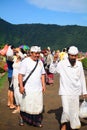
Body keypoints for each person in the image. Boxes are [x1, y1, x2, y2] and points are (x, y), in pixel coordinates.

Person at [49, 46, 87, 130]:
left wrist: (84, 91)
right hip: (65, 91)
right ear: (68, 55)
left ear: (77, 55)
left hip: (76, 91)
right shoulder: (62, 64)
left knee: (74, 111)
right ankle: (64, 125)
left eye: (75, 55)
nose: (73, 57)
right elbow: (52, 70)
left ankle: (74, 126)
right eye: (71, 55)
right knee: (66, 111)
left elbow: (82, 78)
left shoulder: (79, 64)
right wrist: (54, 61)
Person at [18, 46, 46, 127]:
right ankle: (21, 118)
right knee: (25, 104)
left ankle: (36, 122)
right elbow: (20, 75)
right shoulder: (25, 61)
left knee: (37, 105)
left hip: (38, 88)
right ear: (31, 53)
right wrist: (21, 86)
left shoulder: (40, 62)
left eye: (38, 53)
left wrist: (43, 84)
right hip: (28, 88)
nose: (37, 55)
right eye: (36, 53)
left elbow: (43, 74)